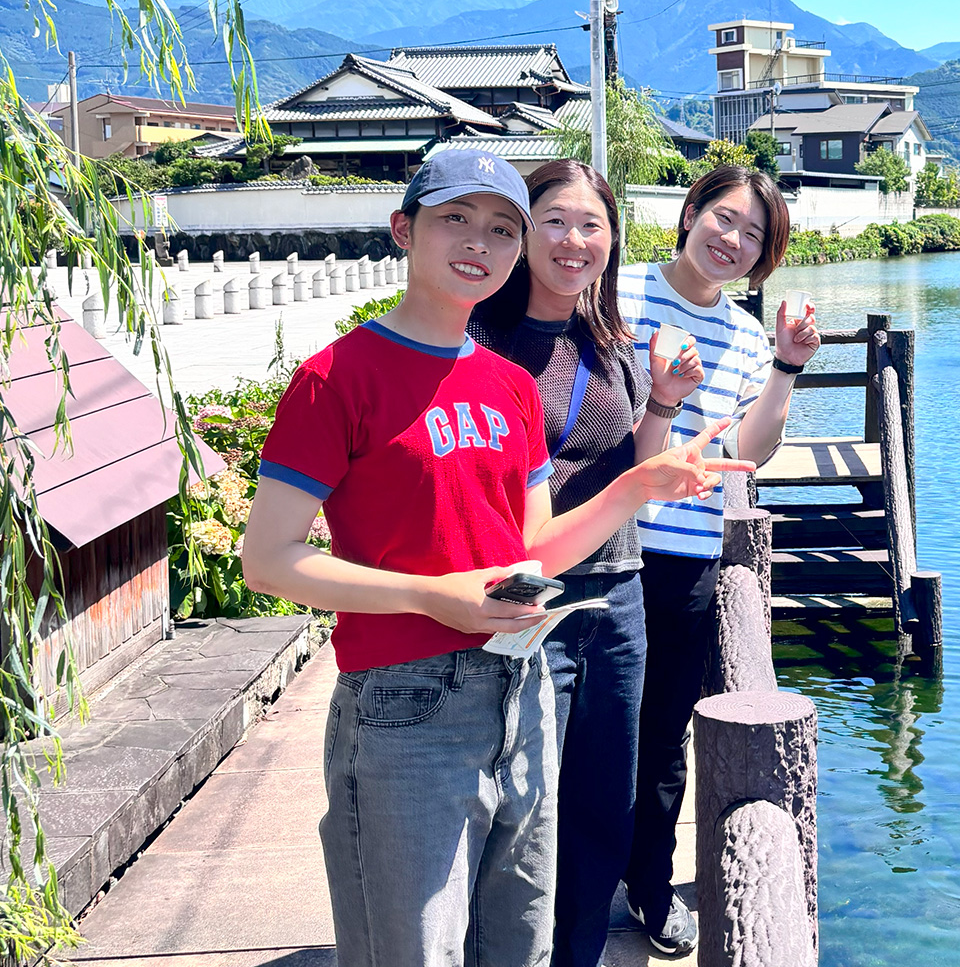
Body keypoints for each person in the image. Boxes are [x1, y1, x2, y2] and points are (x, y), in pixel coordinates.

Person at [240, 150, 750, 967]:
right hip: (404, 703)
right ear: (404, 230)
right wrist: (431, 597)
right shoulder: (337, 377)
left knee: (519, 940)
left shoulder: (506, 386)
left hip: (524, 690)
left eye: (502, 228)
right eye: (456, 219)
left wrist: (637, 486)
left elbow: (533, 549)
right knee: (418, 948)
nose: (481, 241)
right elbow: (266, 561)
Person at [466, 159, 704, 967]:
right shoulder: (479, 340)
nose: (575, 240)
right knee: (523, 802)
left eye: (592, 225)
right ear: (523, 230)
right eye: (556, 221)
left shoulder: (608, 340)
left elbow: (637, 466)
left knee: (606, 798)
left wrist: (665, 401)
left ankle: (577, 954)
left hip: (620, 592)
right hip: (528, 596)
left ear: (612, 240)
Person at [616, 165, 820, 955]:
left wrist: (787, 366)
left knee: (665, 732)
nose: (732, 240)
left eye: (754, 236)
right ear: (690, 211)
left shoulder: (740, 332)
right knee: (582, 724)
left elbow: (747, 450)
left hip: (686, 551)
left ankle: (647, 887)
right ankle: (566, 879)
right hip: (601, 542)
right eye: (723, 218)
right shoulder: (616, 293)